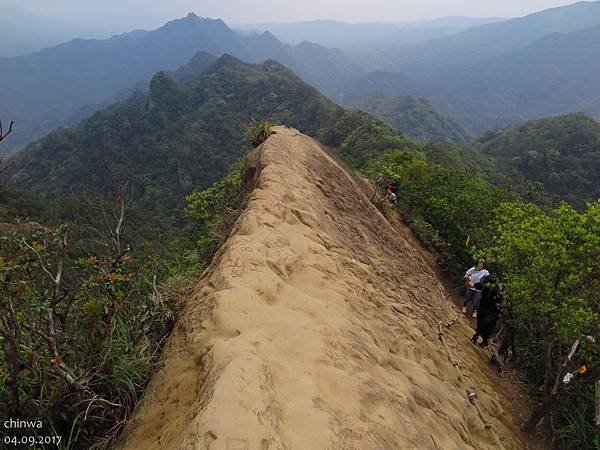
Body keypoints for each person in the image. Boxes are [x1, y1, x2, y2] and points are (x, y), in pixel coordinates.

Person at [471, 274, 503, 347]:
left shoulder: (499, 289)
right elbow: (474, 285)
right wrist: (467, 279)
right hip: (483, 305)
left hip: (494, 309)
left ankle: (478, 337)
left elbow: (502, 302)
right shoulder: (485, 281)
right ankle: (482, 338)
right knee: (480, 320)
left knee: (487, 323)